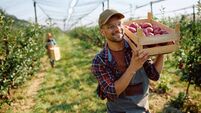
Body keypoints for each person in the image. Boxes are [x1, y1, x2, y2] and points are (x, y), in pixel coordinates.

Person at [91, 9, 164, 113]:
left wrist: (162, 49)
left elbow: (154, 75)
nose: (117, 29)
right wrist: (133, 67)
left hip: (143, 110)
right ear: (102, 31)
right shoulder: (100, 61)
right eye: (111, 26)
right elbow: (112, 92)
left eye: (119, 24)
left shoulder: (136, 47)